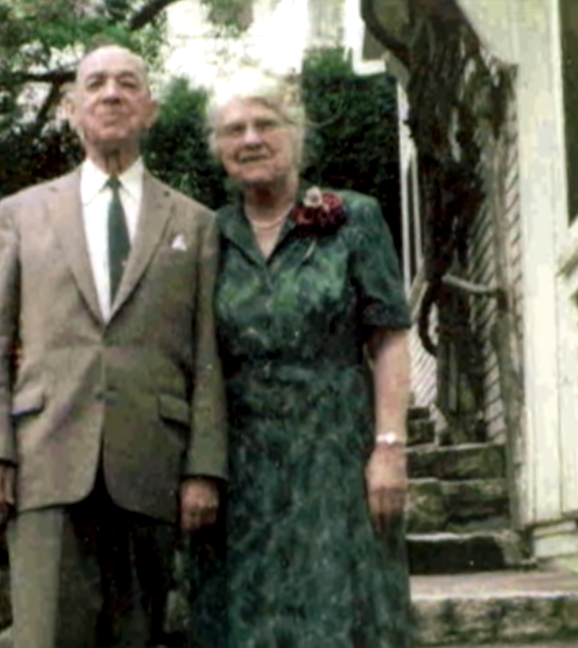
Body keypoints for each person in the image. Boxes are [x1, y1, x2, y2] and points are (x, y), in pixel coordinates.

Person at [0, 44, 227, 648]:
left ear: (151, 109)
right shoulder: (21, 214)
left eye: (128, 83)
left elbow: (208, 355)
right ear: (71, 110)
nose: (112, 94)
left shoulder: (195, 224)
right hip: (45, 461)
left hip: (151, 465)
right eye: (96, 83)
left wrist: (204, 468)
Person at [189, 71, 413, 647]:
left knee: (345, 607)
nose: (250, 139)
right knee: (249, 617)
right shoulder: (208, 235)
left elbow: (389, 338)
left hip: (336, 453)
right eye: (234, 129)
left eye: (265, 123)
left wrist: (389, 449)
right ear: (218, 149)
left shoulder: (353, 219)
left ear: (296, 133)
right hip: (241, 467)